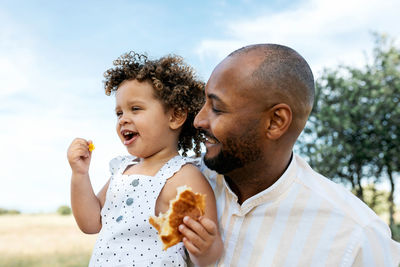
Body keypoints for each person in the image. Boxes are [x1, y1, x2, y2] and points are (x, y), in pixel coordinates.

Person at [189, 44, 400, 266]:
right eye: (205, 103)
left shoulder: (356, 235)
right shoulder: (171, 184)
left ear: (275, 122)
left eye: (217, 108)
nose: (198, 120)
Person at [67, 51, 223, 267]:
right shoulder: (122, 171)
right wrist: (80, 175)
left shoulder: (184, 176)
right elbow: (91, 223)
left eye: (135, 109)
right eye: (119, 113)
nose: (123, 120)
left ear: (175, 116)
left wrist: (206, 249)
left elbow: (207, 251)